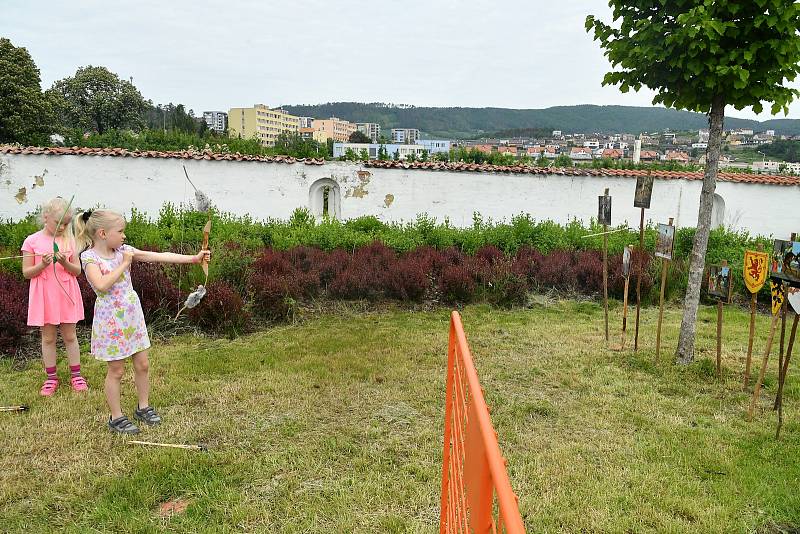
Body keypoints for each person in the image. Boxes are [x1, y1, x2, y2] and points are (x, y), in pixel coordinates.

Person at [74, 209, 210, 434]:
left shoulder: (124, 251)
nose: (124, 236)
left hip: (131, 316)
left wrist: (193, 259)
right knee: (116, 370)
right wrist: (124, 264)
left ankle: (143, 407)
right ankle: (116, 417)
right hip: (111, 321)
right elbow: (101, 285)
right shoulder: (89, 258)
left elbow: (158, 255)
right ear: (103, 233)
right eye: (120, 231)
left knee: (143, 364)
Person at [21, 197, 86, 396]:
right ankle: (51, 378)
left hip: (66, 294)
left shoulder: (70, 240)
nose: (62, 227)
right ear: (45, 217)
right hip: (44, 296)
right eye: (58, 223)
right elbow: (26, 273)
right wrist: (42, 265)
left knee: (70, 335)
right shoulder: (32, 241)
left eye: (66, 223)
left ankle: (76, 375)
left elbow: (77, 271)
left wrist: (65, 263)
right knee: (48, 338)